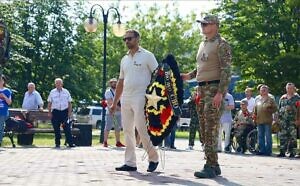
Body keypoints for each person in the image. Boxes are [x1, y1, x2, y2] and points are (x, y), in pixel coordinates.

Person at [181, 14, 232, 178]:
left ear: (215, 25)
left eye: (206, 24)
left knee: (210, 128)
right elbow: (201, 67)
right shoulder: (203, 44)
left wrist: (220, 93)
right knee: (203, 129)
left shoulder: (221, 44)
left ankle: (209, 165)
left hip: (213, 88)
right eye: (201, 24)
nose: (202, 26)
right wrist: (189, 76)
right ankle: (214, 164)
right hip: (201, 89)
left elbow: (226, 70)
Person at [110, 29, 159, 172]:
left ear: (137, 38)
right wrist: (114, 103)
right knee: (127, 130)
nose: (127, 41)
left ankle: (153, 158)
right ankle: (130, 163)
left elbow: (158, 76)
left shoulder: (147, 56)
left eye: (129, 38)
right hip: (126, 97)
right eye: (124, 39)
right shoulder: (124, 59)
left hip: (141, 96)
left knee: (142, 129)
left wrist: (155, 96)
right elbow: (120, 82)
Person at [47, 78, 75, 148]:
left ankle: (70, 143)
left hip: (64, 111)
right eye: (57, 83)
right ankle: (57, 143)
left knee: (67, 128)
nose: (58, 84)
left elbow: (69, 103)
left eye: (59, 83)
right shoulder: (52, 92)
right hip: (55, 112)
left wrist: (69, 113)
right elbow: (49, 103)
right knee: (56, 128)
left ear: (62, 84)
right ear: (55, 84)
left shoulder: (66, 92)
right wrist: (49, 112)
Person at [253, 85, 277, 156]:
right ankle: (262, 150)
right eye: (261, 90)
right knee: (260, 136)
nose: (262, 91)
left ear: (267, 91)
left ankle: (268, 151)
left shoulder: (271, 99)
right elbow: (255, 109)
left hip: (267, 121)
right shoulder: (258, 99)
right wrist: (254, 115)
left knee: (268, 136)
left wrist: (269, 110)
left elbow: (275, 109)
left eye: (264, 90)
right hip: (259, 120)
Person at [277, 83, 300, 157]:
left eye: (291, 88)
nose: (289, 89)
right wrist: (278, 119)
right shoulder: (283, 97)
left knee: (292, 137)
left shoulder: (297, 98)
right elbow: (279, 108)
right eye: (288, 88)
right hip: (283, 120)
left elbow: (299, 110)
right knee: (282, 136)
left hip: (293, 120)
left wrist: (298, 120)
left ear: (294, 88)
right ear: (286, 89)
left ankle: (292, 152)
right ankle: (282, 152)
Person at [103, 78, 125, 148]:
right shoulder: (108, 92)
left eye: (116, 82)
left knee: (117, 127)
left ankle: (118, 142)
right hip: (111, 113)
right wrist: (120, 109)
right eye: (113, 82)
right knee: (108, 127)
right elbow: (110, 102)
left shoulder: (119, 91)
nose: (115, 84)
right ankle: (105, 142)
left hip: (118, 113)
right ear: (110, 83)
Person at [0, 75, 12, 147]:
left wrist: (4, 96)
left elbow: (9, 102)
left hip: (3, 112)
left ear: (4, 81)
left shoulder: (7, 91)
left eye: (1, 80)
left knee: (0, 127)